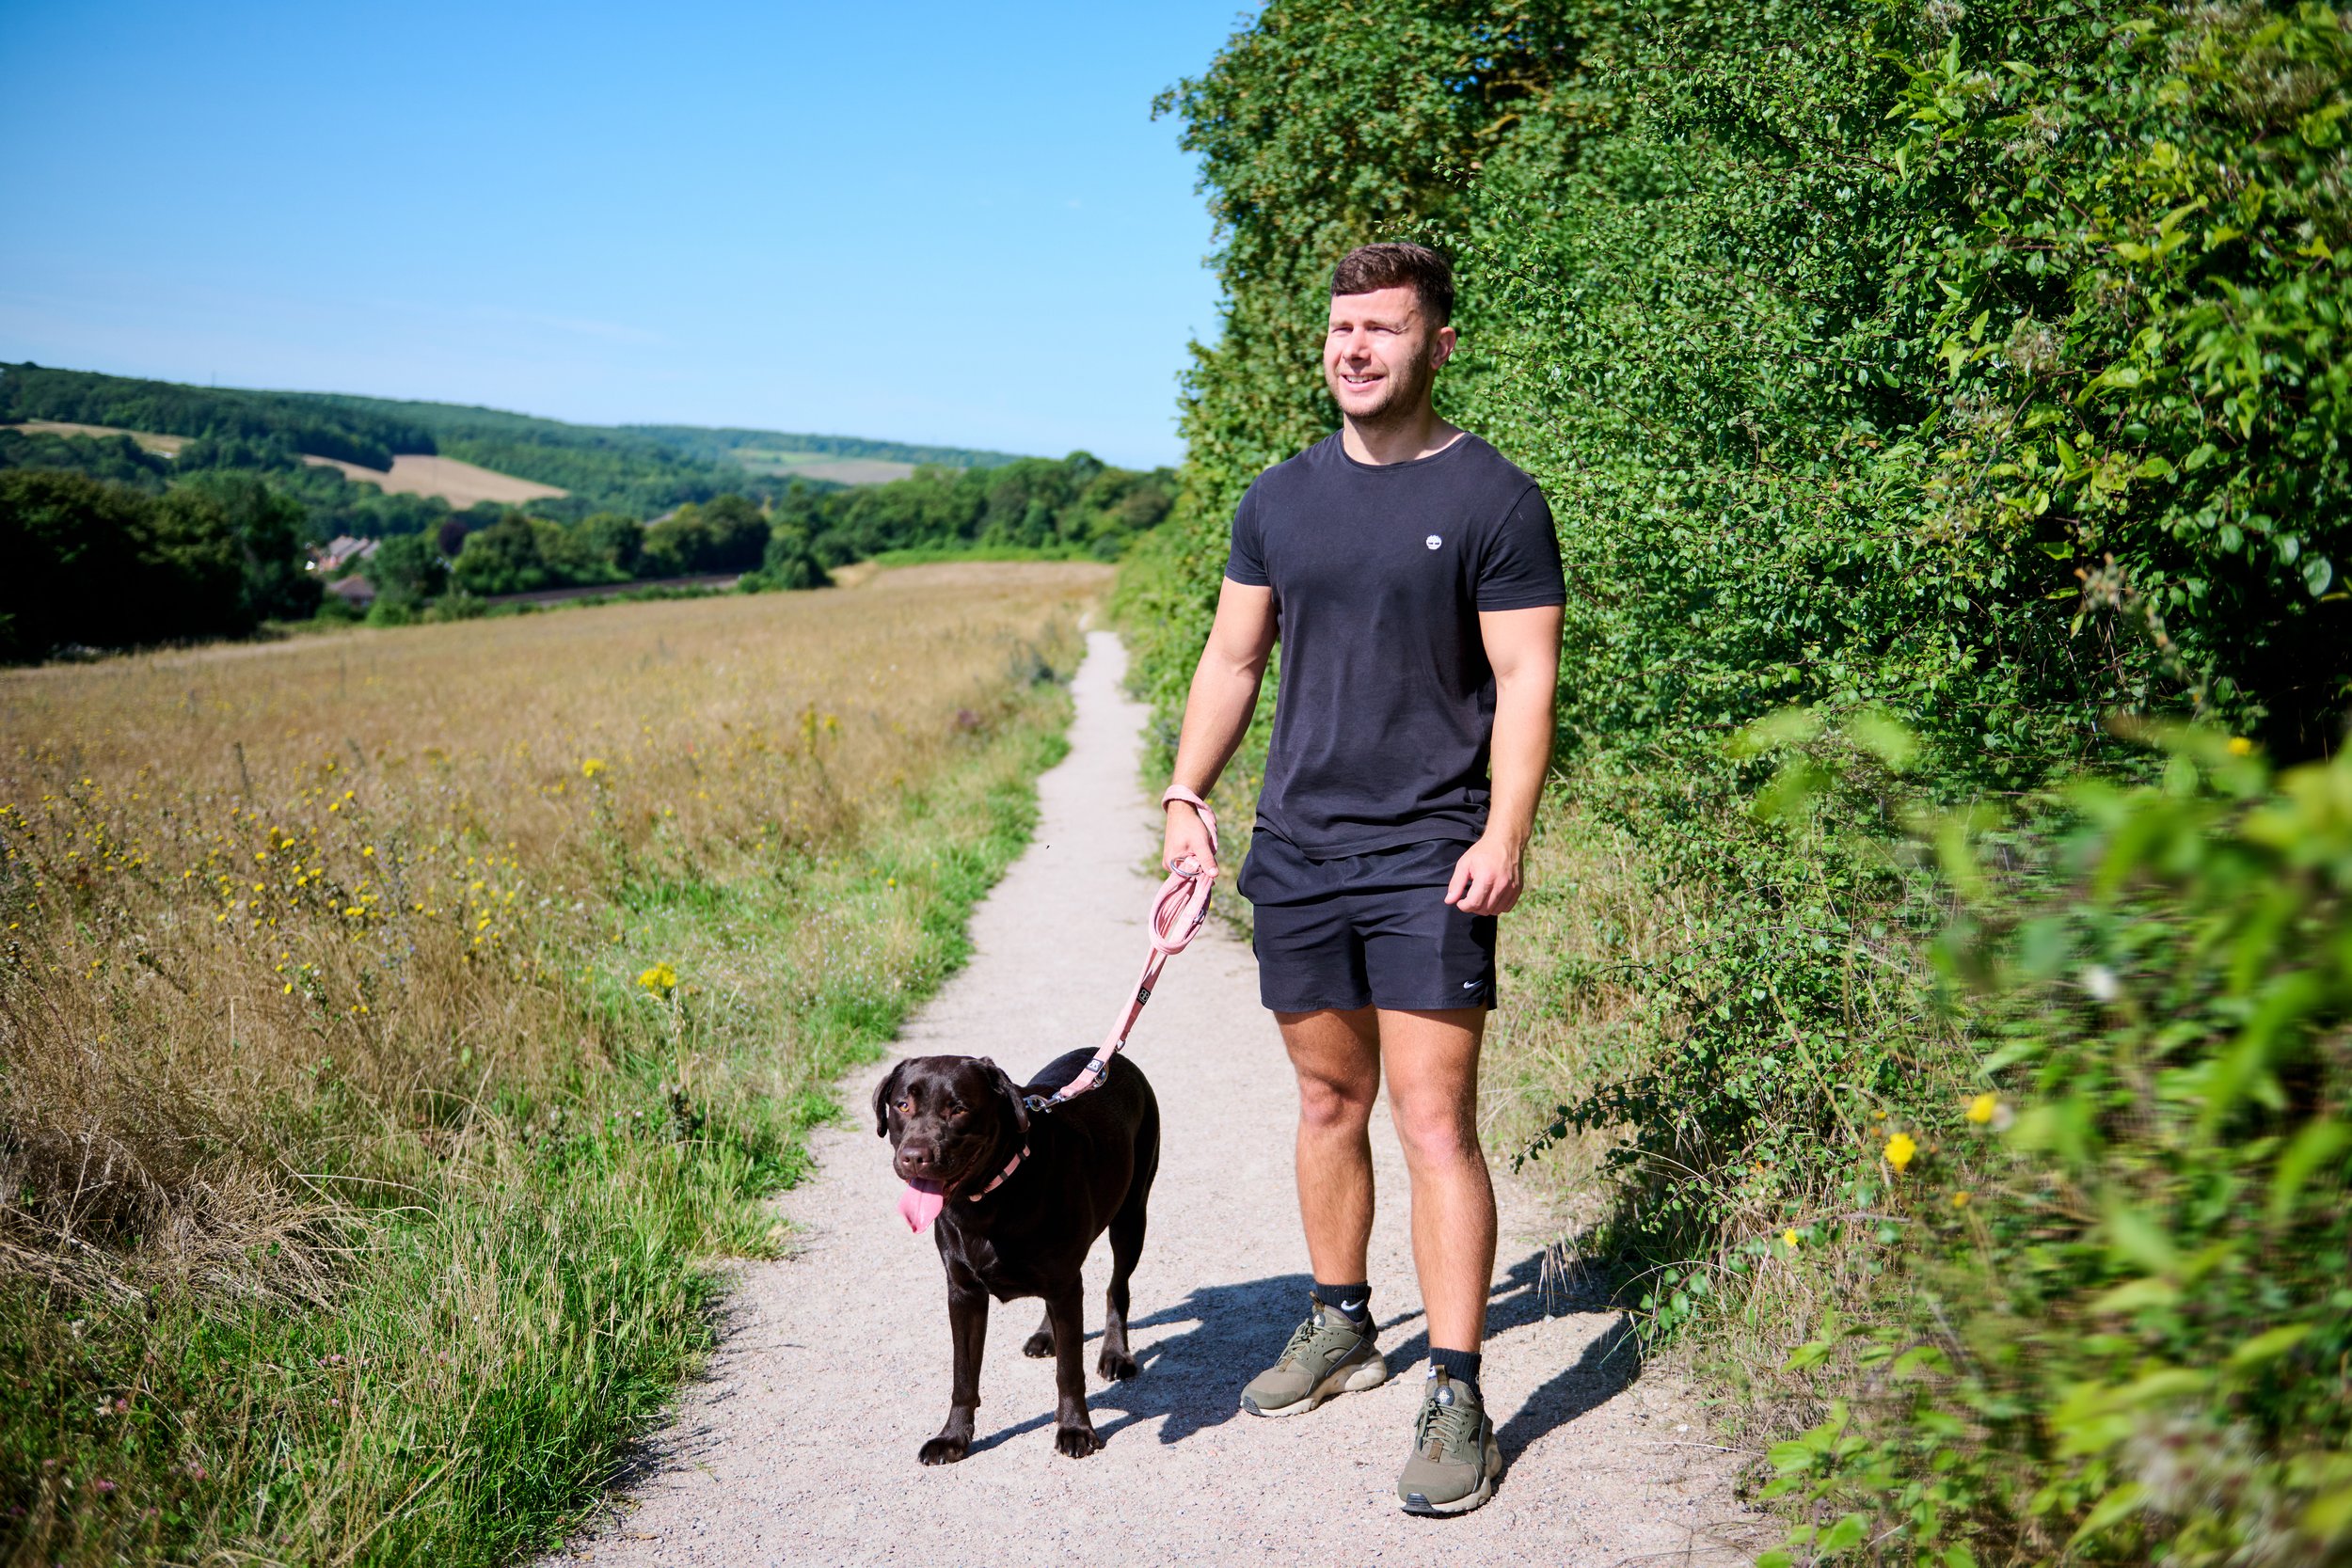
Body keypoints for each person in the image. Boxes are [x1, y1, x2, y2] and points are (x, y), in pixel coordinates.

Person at [1159, 241, 1564, 1516]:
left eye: (1383, 329)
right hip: (1299, 853)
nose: (1354, 348)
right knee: (1327, 1101)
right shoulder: (1278, 498)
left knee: (1434, 1121)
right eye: (1342, 327)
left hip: (1430, 857)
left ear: (1439, 344)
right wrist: (1186, 797)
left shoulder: (1498, 497)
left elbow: (1525, 680)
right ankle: (1341, 1322)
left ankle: (1457, 1388)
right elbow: (1231, 661)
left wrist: (1506, 832)